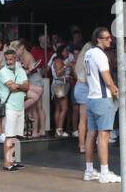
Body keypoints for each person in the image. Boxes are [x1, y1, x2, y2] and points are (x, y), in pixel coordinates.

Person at [80, 27, 121, 183]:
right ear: (98, 39)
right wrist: (114, 90)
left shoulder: (88, 53)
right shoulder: (100, 55)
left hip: (91, 97)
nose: (110, 40)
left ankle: (89, 170)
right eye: (107, 38)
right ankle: (104, 172)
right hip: (102, 98)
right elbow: (106, 77)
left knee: (91, 134)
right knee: (104, 135)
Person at [0, 47, 29, 172]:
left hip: (20, 107)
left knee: (16, 136)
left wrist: (19, 86)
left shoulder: (20, 70)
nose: (9, 61)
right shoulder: (3, 71)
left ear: (16, 59)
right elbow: (13, 87)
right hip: (10, 107)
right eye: (7, 59)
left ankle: (14, 161)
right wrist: (21, 86)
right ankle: (7, 163)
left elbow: (27, 87)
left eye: (11, 59)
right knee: (9, 136)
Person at [72, 41, 93, 154]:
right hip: (86, 88)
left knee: (82, 119)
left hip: (78, 86)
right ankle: (85, 145)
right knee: (88, 119)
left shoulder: (80, 59)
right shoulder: (88, 60)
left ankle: (82, 145)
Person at [50, 43, 73, 137]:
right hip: (60, 86)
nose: (67, 52)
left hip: (57, 85)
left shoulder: (57, 60)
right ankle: (59, 130)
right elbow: (58, 74)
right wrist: (65, 66)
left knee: (58, 108)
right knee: (64, 108)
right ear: (61, 52)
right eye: (65, 51)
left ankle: (58, 130)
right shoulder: (58, 61)